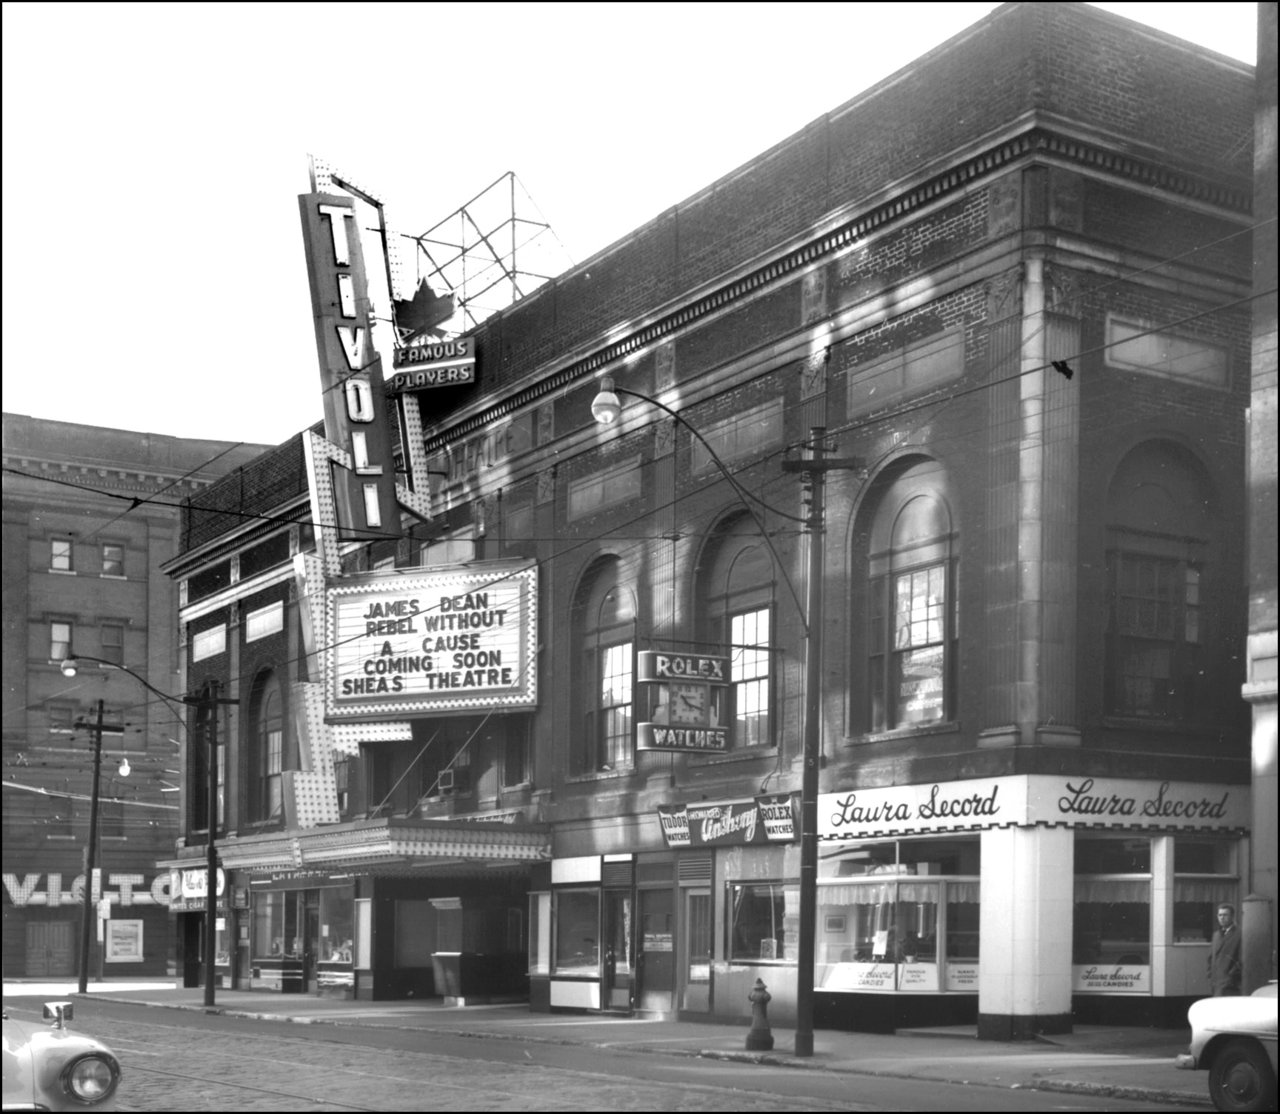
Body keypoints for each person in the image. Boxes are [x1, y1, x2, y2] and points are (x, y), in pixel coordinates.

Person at [1207, 902, 1242, 996]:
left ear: (1232, 916)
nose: (1222, 918)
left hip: (1230, 984)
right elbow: (1211, 957)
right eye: (1220, 915)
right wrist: (1210, 974)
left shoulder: (1239, 934)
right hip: (1215, 983)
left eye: (1225, 915)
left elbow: (1242, 959)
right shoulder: (1216, 935)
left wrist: (1231, 975)